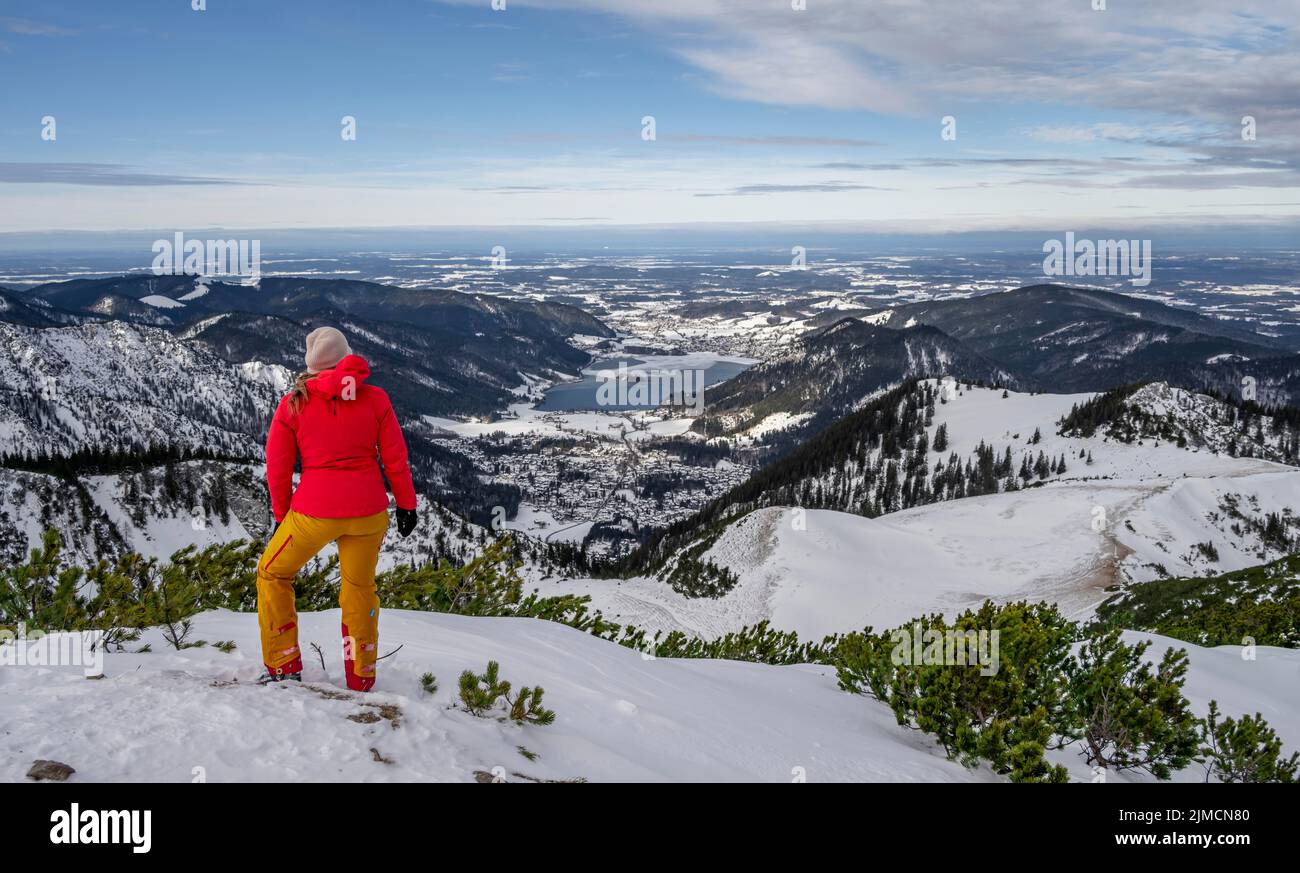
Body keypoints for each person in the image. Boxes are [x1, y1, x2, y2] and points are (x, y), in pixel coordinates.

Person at [255, 326, 418, 690]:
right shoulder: (375, 399)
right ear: (345, 357)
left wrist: (282, 516)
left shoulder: (293, 403)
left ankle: (283, 663)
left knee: (273, 574)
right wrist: (407, 504)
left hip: (314, 513)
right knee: (359, 590)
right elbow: (396, 460)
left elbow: (277, 467)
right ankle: (361, 677)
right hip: (368, 512)